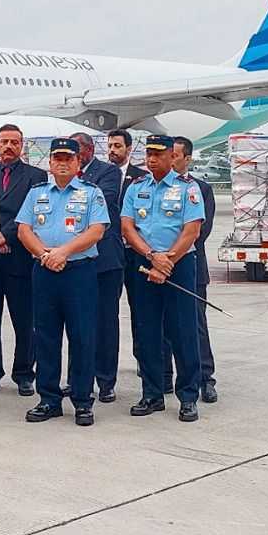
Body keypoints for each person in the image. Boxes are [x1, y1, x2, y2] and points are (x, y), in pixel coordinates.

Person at [18, 138, 109, 426]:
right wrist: (45, 255)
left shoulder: (91, 194)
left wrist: (63, 252)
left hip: (79, 272)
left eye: (68, 158)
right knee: (45, 336)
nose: (62, 162)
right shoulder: (36, 193)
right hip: (44, 271)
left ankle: (82, 401)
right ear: (50, 163)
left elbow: (96, 232)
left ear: (78, 162)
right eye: (57, 158)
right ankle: (48, 399)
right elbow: (23, 230)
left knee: (82, 336)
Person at [121, 135, 205, 422]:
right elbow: (128, 227)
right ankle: (152, 394)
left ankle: (188, 396)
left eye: (159, 153)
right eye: (149, 153)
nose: (152, 158)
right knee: (147, 331)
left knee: (183, 331)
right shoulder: (136, 187)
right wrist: (151, 256)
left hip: (178, 264)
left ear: (173, 157)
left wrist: (166, 261)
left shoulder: (187, 188)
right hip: (144, 263)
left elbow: (192, 231)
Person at [0, 124, 46, 396]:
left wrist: (6, 237)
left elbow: (33, 214)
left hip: (21, 258)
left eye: (14, 142)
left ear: (22, 146)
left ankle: (24, 373)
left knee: (25, 321)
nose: (8, 146)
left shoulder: (36, 176)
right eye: (4, 141)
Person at [71, 134, 123, 402]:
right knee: (78, 322)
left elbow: (101, 199)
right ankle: (79, 378)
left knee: (105, 322)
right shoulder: (63, 175)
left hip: (104, 260)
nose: (72, 156)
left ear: (89, 151)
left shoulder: (109, 172)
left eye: (76, 151)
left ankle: (105, 380)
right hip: (75, 261)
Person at [173, 136, 219, 404]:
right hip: (158, 266)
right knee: (164, 327)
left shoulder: (201, 189)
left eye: (176, 155)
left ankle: (205, 378)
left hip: (189, 266)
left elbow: (200, 232)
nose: (171, 159)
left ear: (187, 159)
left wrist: (171, 253)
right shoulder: (150, 187)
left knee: (195, 325)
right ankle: (165, 378)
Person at [107, 130, 149, 386]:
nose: (113, 150)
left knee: (140, 310)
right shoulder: (97, 175)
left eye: (118, 146)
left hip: (135, 254)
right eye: (110, 145)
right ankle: (106, 366)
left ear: (129, 149)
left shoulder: (141, 179)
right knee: (107, 312)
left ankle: (143, 360)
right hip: (111, 254)